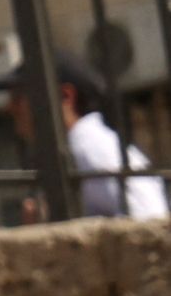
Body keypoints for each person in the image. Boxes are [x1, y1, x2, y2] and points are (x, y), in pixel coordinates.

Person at [53, 57, 168, 221]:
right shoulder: (82, 145)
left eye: (20, 97)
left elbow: (147, 218)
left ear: (66, 96)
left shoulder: (90, 147)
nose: (11, 107)